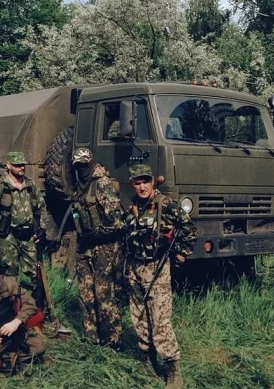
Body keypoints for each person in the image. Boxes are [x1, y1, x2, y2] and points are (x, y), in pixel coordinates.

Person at [125, 164, 197, 389]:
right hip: (135, 268)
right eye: (137, 183)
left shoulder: (165, 204)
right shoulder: (134, 205)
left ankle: (173, 371)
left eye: (145, 181)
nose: (142, 186)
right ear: (133, 185)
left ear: (152, 182)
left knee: (160, 321)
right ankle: (147, 360)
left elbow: (189, 229)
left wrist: (182, 253)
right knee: (139, 317)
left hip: (157, 268)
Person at [70, 147, 123, 349]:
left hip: (104, 247)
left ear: (91, 163)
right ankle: (91, 338)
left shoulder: (101, 184)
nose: (81, 169)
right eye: (78, 166)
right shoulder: (79, 186)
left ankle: (112, 341)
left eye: (84, 165)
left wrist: (97, 235)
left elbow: (116, 222)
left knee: (103, 295)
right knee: (85, 293)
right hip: (86, 246)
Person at [0, 151, 47, 285]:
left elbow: (41, 208)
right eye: (17, 165)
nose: (22, 168)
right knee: (8, 275)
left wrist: (42, 228)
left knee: (35, 274)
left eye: (23, 165)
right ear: (8, 165)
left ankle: (32, 303)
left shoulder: (30, 185)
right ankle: (9, 303)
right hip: (8, 236)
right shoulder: (0, 187)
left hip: (28, 236)